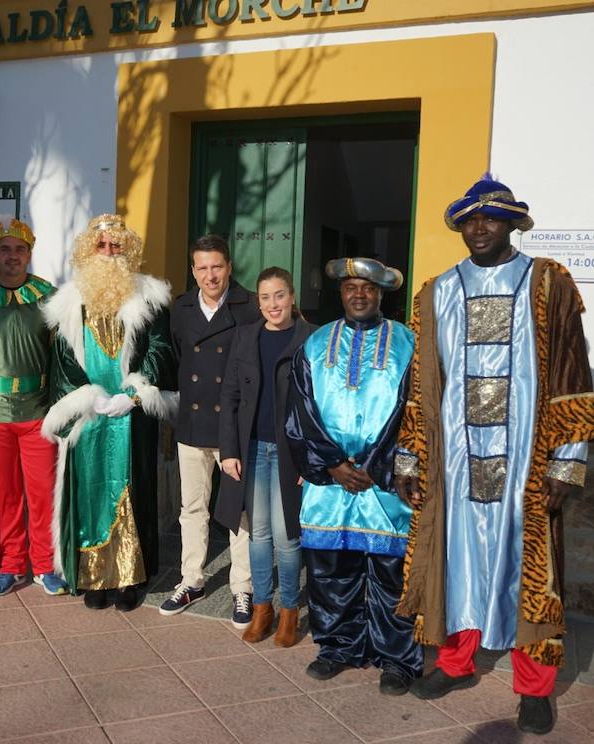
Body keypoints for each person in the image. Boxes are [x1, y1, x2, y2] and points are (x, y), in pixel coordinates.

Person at [395, 176, 593, 735]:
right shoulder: (436, 292)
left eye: (490, 218)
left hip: (527, 465)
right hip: (454, 462)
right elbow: (419, 383)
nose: (478, 228)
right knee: (455, 559)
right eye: (469, 220)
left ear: (511, 224)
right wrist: (411, 457)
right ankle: (455, 662)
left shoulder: (548, 284)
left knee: (529, 572)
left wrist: (566, 461)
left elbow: (572, 375)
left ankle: (534, 688)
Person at [287, 257, 423, 695]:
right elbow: (302, 411)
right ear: (340, 292)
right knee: (330, 572)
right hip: (331, 482)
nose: (358, 294)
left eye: (367, 287)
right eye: (350, 287)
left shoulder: (408, 343)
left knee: (391, 573)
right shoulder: (315, 343)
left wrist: (377, 465)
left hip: (385, 482)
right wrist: (332, 464)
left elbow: (413, 412)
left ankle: (396, 658)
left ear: (382, 292)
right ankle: (337, 647)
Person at [42, 214, 176, 611]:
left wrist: (135, 393)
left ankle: (128, 576)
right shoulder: (69, 302)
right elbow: (62, 358)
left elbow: (161, 349)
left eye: (116, 245)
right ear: (89, 250)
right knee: (90, 489)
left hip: (130, 413)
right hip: (89, 412)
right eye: (101, 246)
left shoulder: (149, 298)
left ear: (127, 250)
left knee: (130, 490)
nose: (109, 252)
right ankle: (94, 576)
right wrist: (84, 395)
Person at [0, 214, 67, 597]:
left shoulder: (49, 297)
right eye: (4, 249)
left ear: (29, 254)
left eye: (19, 249)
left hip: (38, 411)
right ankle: (10, 564)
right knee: (1, 493)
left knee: (42, 491)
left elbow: (61, 354)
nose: (12, 256)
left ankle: (44, 565)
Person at [160, 235, 260, 628]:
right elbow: (179, 359)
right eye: (201, 268)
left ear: (229, 267)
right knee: (192, 508)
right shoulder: (181, 308)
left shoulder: (249, 305)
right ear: (193, 271)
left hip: (233, 425)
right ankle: (192, 579)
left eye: (216, 266)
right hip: (192, 422)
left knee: (239, 511)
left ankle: (242, 587)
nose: (210, 275)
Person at [216, 267, 315, 646]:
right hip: (251, 449)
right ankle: (263, 607)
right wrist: (228, 452)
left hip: (291, 452)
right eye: (265, 297)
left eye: (279, 295)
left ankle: (289, 609)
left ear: (291, 297)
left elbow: (318, 404)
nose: (273, 304)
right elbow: (229, 398)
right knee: (256, 533)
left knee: (287, 535)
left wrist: (310, 458)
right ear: (258, 303)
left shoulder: (310, 338)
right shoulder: (246, 337)